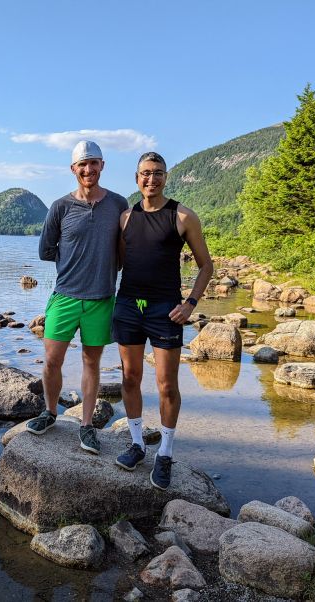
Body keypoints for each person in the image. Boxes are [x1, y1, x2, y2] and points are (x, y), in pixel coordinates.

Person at [112, 151, 213, 489]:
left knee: (167, 385)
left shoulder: (182, 216)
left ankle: (165, 453)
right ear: (136, 178)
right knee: (129, 378)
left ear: (166, 177)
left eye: (157, 173)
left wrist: (190, 303)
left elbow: (206, 266)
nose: (151, 179)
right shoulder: (126, 218)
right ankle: (138, 444)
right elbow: (124, 263)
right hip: (128, 305)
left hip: (165, 309)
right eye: (145, 173)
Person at [25, 140, 128, 454]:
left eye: (93, 163)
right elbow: (45, 250)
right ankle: (50, 412)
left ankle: (86, 427)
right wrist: (72, 262)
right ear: (73, 169)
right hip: (65, 297)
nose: (88, 169)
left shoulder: (119, 204)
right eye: (82, 165)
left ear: (102, 166)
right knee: (52, 361)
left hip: (101, 299)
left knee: (91, 363)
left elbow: (124, 250)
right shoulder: (60, 206)